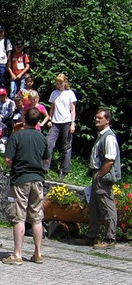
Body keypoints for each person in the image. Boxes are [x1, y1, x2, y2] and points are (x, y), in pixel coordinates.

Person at [2, 107, 50, 265]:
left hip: (21, 179)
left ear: (24, 119)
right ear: (37, 121)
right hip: (38, 179)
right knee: (37, 218)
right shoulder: (42, 138)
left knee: (19, 217)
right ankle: (38, 254)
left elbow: (8, 160)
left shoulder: (17, 136)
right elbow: (45, 160)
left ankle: (17, 255)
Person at [81, 109, 121, 249]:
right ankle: (92, 236)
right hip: (98, 174)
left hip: (103, 176)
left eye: (100, 118)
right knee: (95, 207)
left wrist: (99, 175)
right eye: (96, 117)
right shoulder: (102, 135)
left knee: (107, 207)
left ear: (107, 120)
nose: (96, 119)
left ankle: (110, 239)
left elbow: (110, 160)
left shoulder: (108, 137)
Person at [45, 73, 77, 177]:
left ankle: (64, 169)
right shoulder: (54, 93)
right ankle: (45, 167)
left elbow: (73, 109)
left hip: (66, 121)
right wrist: (49, 118)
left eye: (61, 83)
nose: (59, 85)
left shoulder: (70, 93)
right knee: (48, 143)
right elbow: (52, 107)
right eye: (57, 83)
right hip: (55, 122)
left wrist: (72, 123)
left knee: (66, 146)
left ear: (65, 83)